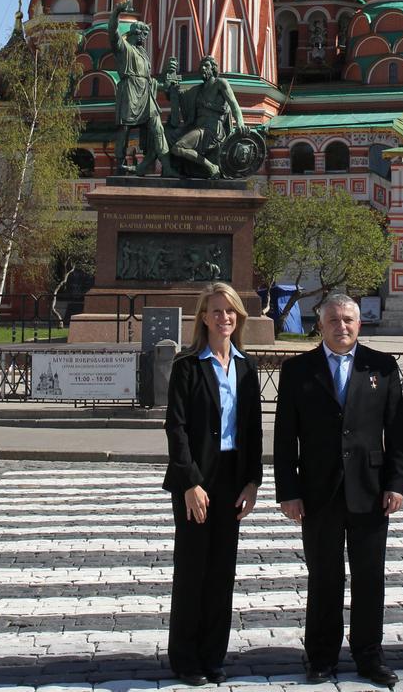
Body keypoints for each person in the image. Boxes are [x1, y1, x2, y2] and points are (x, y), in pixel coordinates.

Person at [274, 293, 403, 687]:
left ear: (360, 323)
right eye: (333, 319)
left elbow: (396, 431)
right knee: (324, 578)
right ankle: (321, 656)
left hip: (370, 490)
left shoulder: (381, 367)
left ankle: (370, 656)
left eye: (348, 319)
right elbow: (285, 437)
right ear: (320, 324)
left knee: (370, 578)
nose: (342, 326)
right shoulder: (298, 370)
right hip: (318, 491)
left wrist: (397, 483)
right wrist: (289, 490)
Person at [163, 283, 262, 685]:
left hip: (231, 477)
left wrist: (253, 481)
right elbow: (177, 428)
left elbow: (253, 430)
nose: (224, 318)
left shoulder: (245, 366)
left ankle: (213, 655)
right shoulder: (187, 366)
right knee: (192, 570)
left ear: (238, 318)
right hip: (196, 479)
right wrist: (190, 482)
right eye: (217, 311)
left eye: (230, 312)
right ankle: (185, 657)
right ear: (203, 317)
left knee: (222, 571)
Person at [109, 0, 173, 175]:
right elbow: (113, 34)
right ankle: (120, 164)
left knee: (157, 126)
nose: (145, 39)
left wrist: (162, 85)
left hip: (146, 93)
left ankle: (166, 166)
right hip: (130, 91)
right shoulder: (124, 49)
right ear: (136, 33)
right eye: (143, 35)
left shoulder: (143, 54)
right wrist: (116, 13)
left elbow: (149, 80)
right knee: (125, 129)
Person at [166, 55, 245, 178]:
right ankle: (170, 169)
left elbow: (234, 104)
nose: (203, 68)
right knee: (168, 135)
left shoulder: (220, 83)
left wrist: (240, 123)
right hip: (198, 129)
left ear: (213, 68)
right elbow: (179, 96)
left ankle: (211, 167)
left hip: (212, 131)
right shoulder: (198, 89)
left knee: (178, 147)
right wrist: (172, 81)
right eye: (201, 66)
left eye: (206, 66)